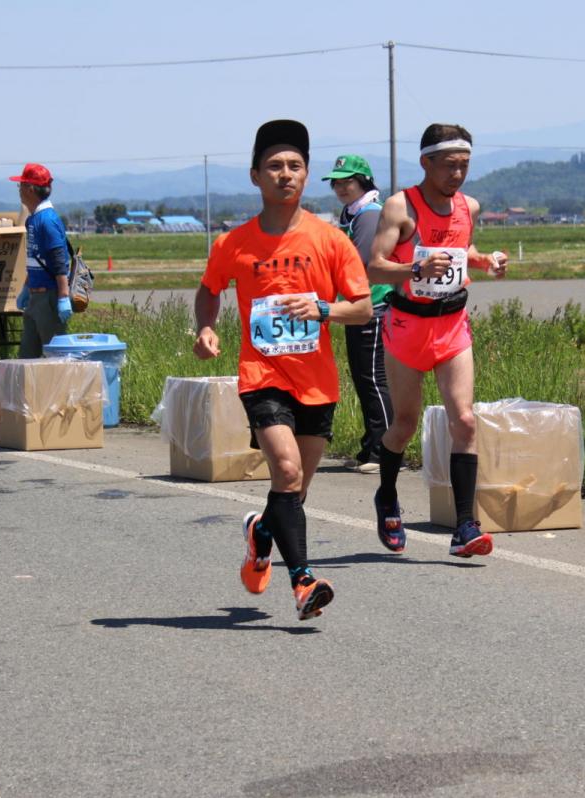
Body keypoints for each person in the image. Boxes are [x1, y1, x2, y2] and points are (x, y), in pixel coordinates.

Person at [193, 120, 372, 621]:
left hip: (317, 381)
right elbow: (209, 290)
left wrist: (321, 309)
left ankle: (262, 533)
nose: (285, 174)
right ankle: (303, 582)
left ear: (307, 175)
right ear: (255, 176)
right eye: (274, 166)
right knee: (287, 471)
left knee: (294, 490)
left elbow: (361, 308)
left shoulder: (330, 240)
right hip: (262, 374)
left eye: (295, 166)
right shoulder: (234, 243)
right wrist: (207, 329)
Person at [367, 123, 508, 558]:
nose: (458, 174)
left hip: (452, 325)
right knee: (405, 424)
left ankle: (465, 525)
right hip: (408, 326)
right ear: (426, 162)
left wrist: (485, 260)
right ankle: (387, 495)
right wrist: (413, 271)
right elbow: (373, 267)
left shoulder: (470, 206)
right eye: (449, 165)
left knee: (463, 420)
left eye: (465, 165)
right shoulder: (400, 208)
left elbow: (461, 251)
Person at [322, 154, 393, 474]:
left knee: (374, 381)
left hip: (372, 307)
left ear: (363, 181)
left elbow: (361, 265)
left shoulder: (368, 216)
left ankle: (382, 451)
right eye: (336, 182)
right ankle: (372, 446)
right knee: (366, 379)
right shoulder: (353, 213)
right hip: (358, 308)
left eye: (346, 181)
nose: (340, 187)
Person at [10, 163, 71, 357]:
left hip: (49, 297)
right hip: (36, 296)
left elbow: (59, 260)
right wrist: (27, 288)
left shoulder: (47, 220)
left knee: (55, 357)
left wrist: (63, 297)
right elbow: (35, 260)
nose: (19, 190)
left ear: (30, 189)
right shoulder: (33, 220)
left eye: (21, 185)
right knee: (27, 356)